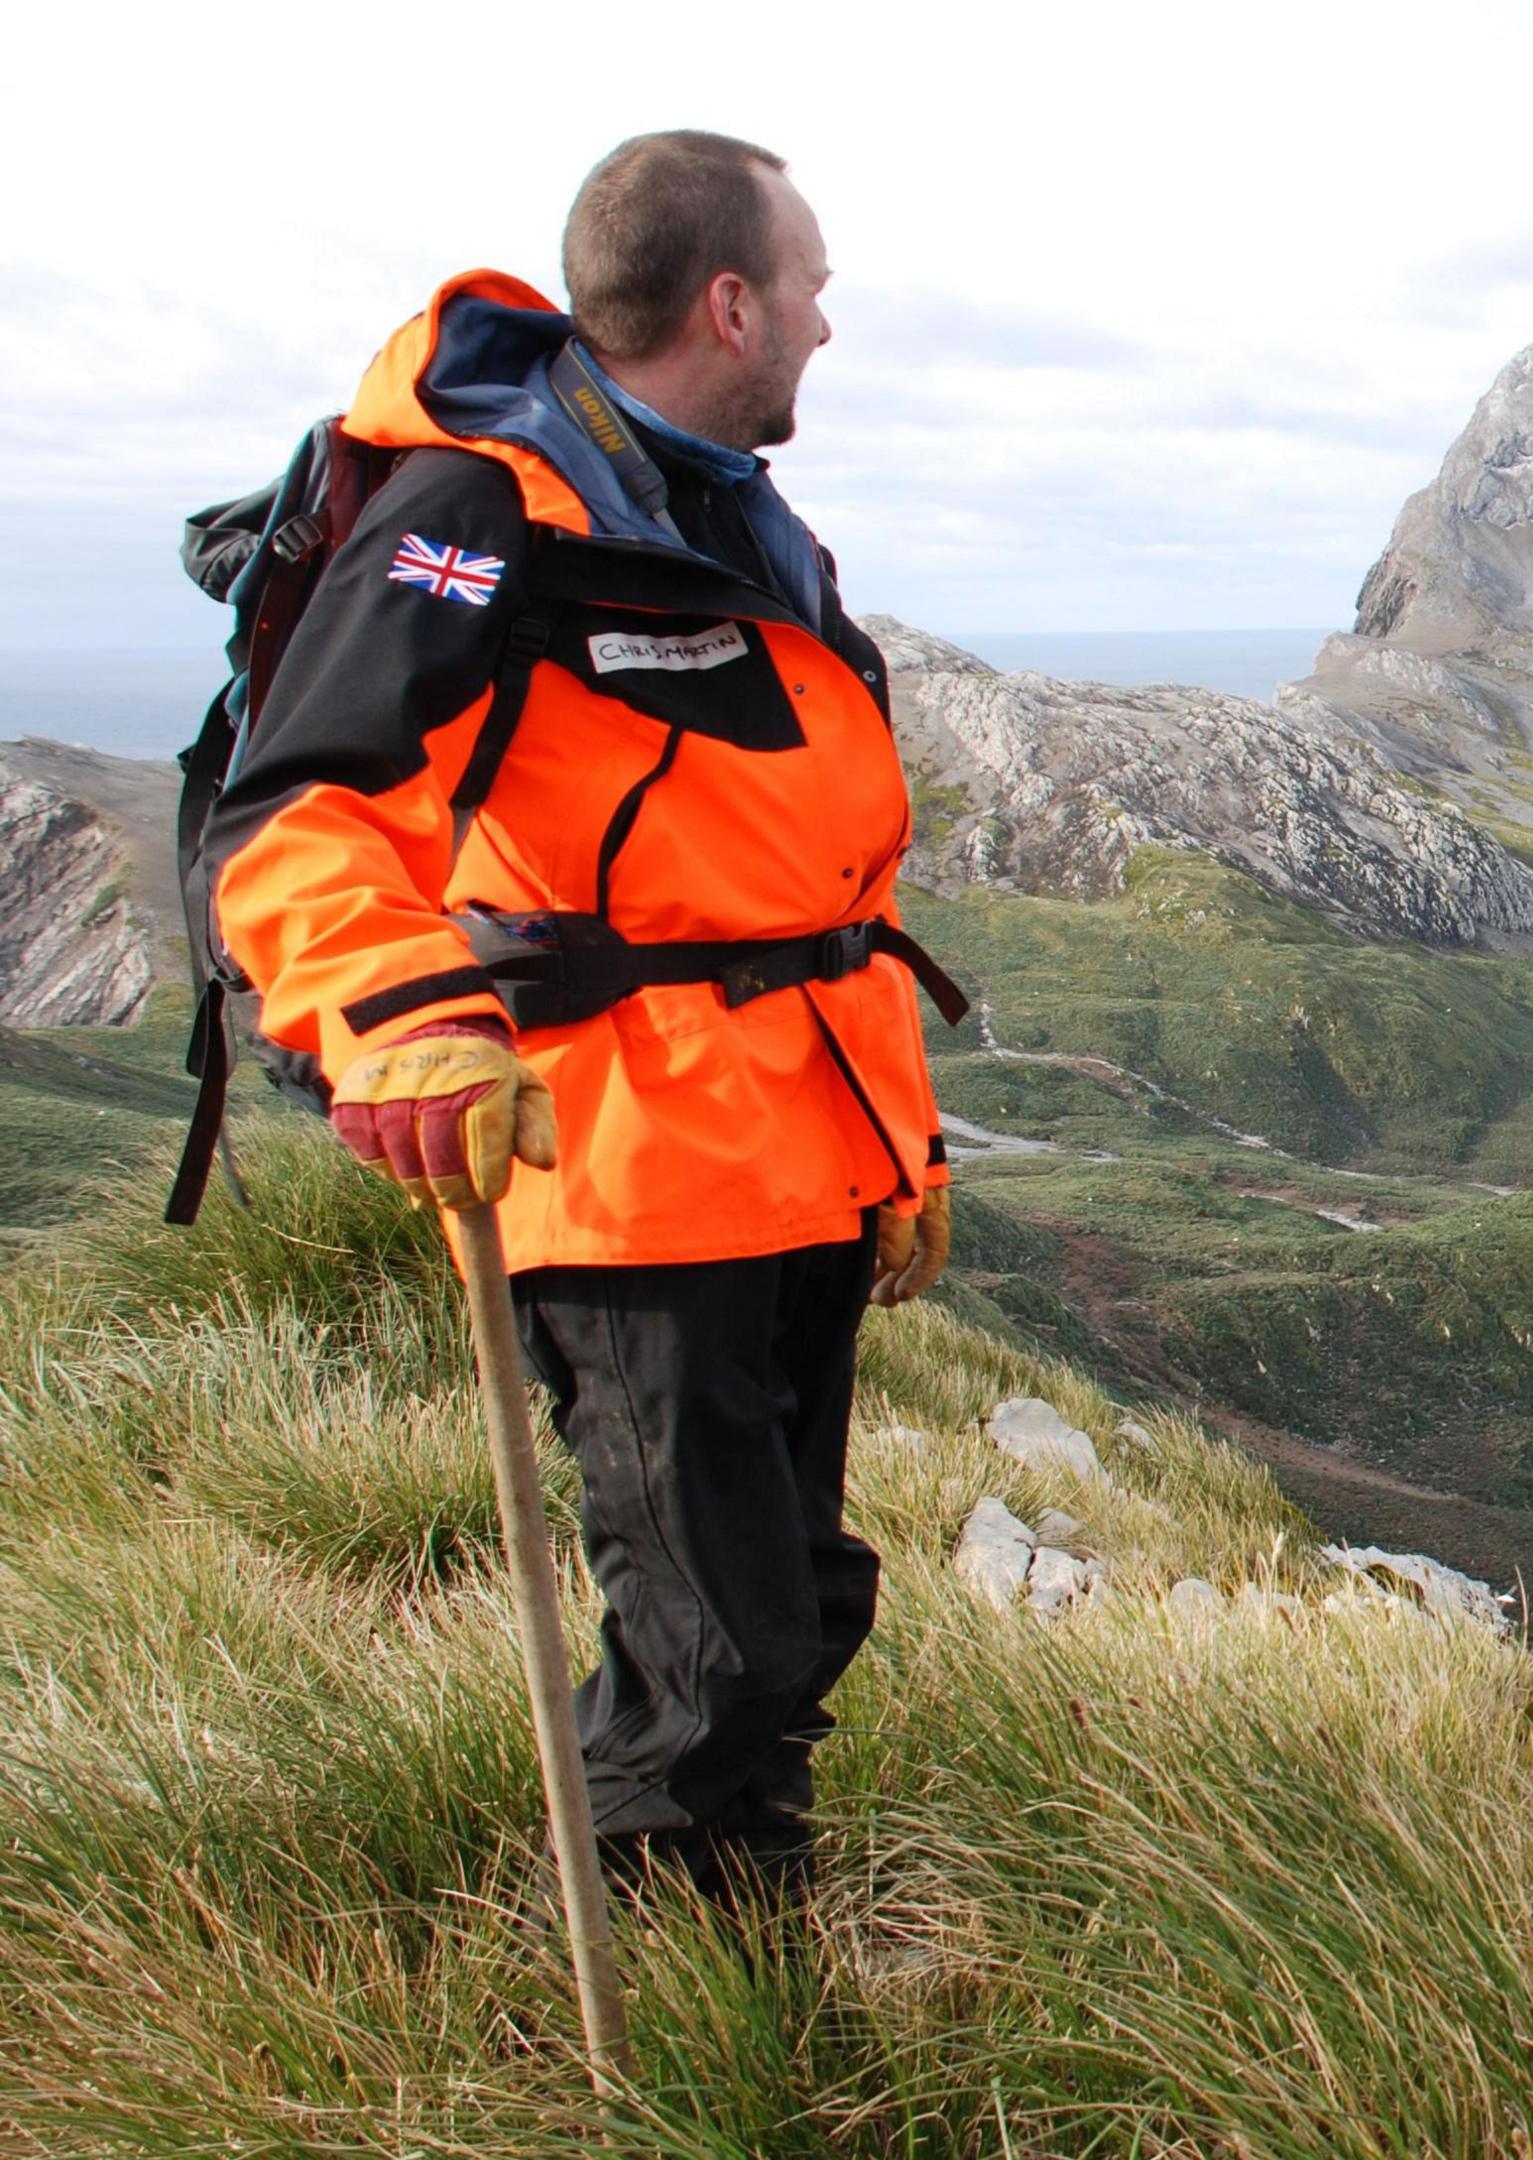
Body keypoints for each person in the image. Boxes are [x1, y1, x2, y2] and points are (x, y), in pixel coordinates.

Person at [206, 130, 957, 1904]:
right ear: (727, 299)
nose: (826, 328)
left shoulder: (720, 512)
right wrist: (402, 1021)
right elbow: (305, 810)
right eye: (812, 289)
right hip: (633, 1172)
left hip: (795, 1150)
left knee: (798, 1603)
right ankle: (680, 1996)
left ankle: (751, 1918)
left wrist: (903, 1149)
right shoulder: (479, 515)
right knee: (720, 1645)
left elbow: (824, 882)